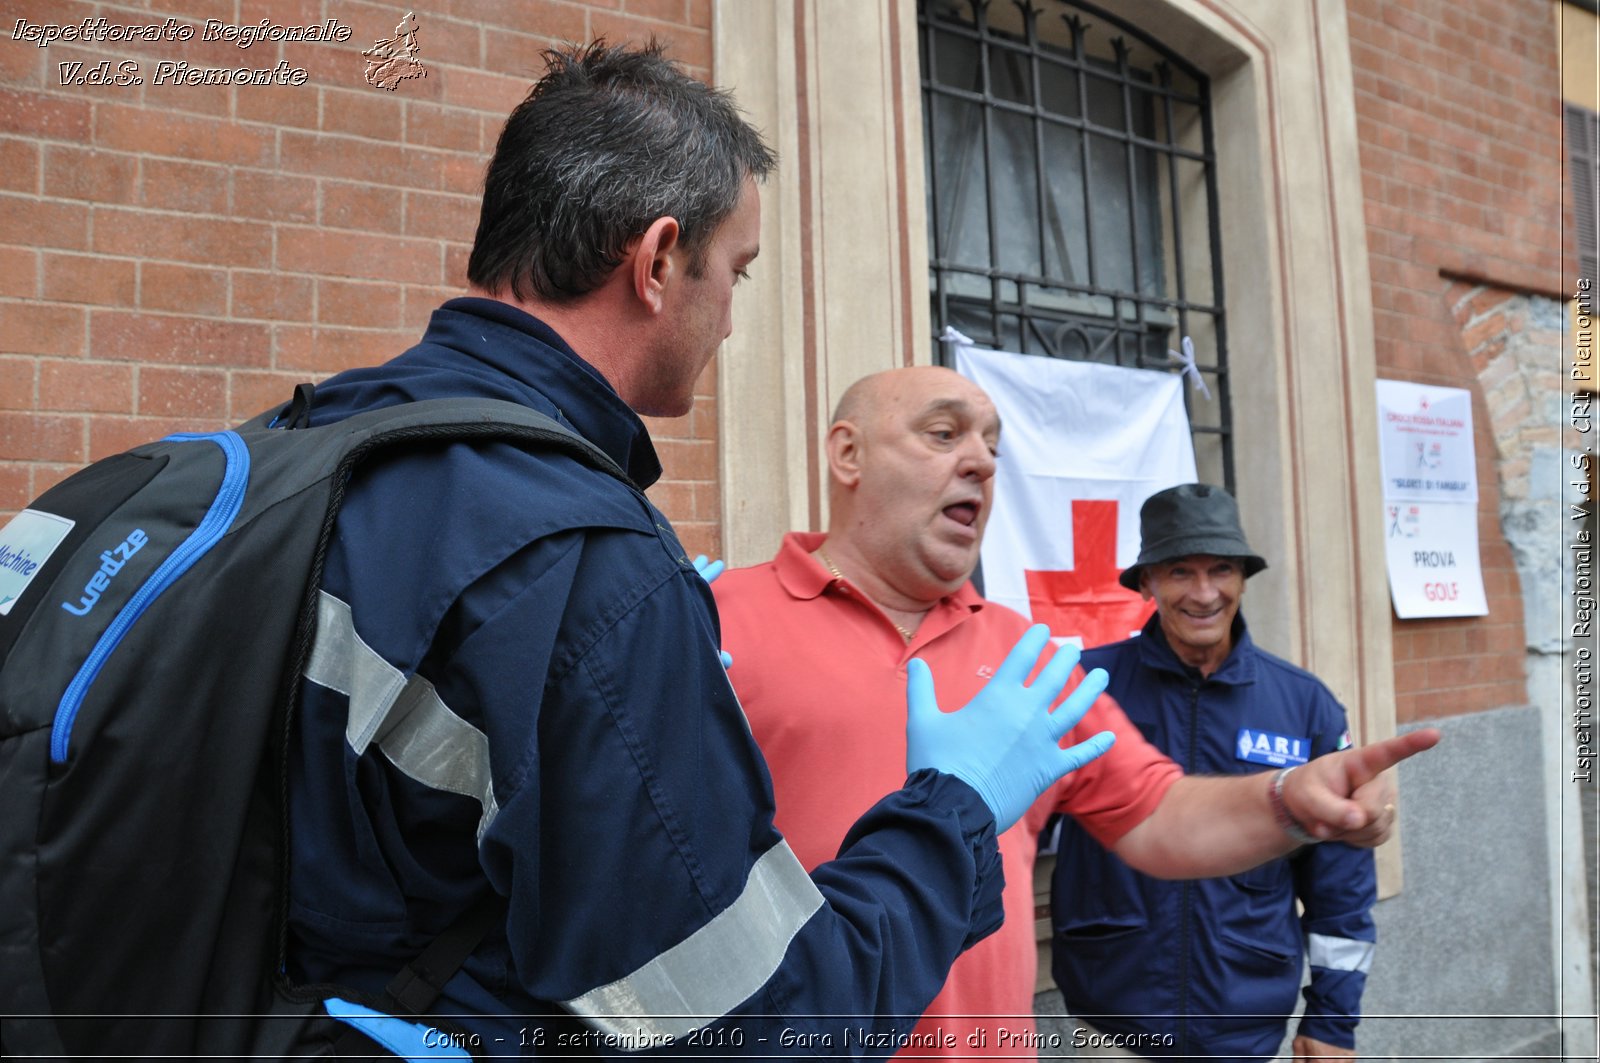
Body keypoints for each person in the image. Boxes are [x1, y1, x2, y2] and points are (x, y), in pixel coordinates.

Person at [280, 40, 1122, 1057]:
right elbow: (757, 1030)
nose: (729, 315)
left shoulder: (297, 453)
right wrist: (955, 811)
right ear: (658, 261)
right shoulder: (588, 566)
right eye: (736, 270)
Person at [711, 367, 1436, 1060]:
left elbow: (1160, 816)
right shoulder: (715, 623)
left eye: (993, 444)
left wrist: (1286, 798)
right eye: (944, 433)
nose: (983, 463)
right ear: (848, 453)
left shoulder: (1027, 657)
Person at [1052, 484, 1375, 1060]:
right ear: (1147, 583)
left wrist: (1332, 1021)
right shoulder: (1083, 689)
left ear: (1243, 579)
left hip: (1244, 1028)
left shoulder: (1305, 705)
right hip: (1108, 1029)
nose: (1204, 593)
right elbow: (1005, 828)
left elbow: (1342, 886)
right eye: (1180, 572)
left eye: (1221, 569)